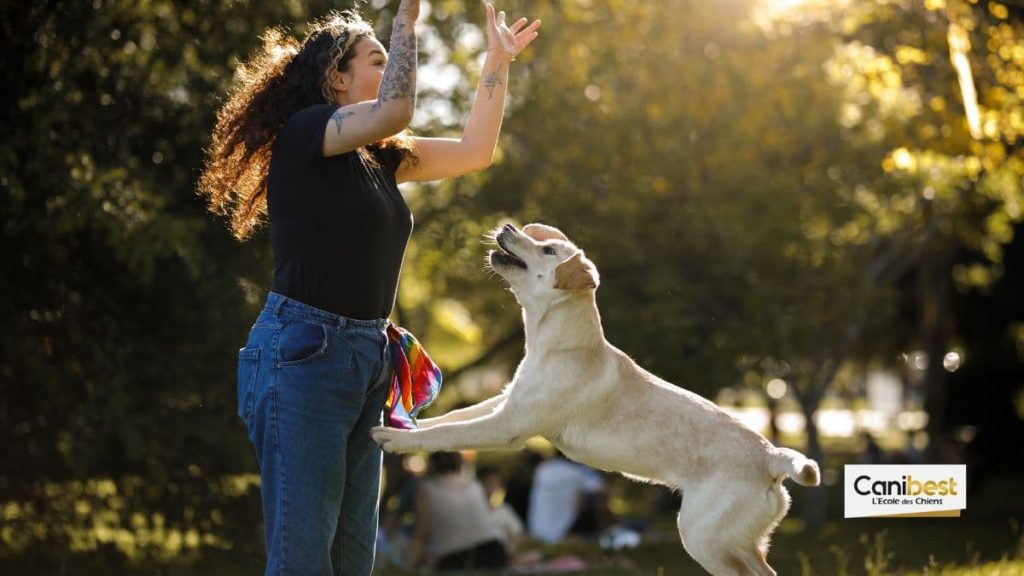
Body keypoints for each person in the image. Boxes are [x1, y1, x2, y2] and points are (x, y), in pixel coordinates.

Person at [196, 2, 541, 574]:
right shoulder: (307, 131)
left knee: (352, 559)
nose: (388, 70)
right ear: (336, 77)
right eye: (375, 60)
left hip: (368, 357)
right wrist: (405, 25)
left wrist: (496, 61)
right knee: (304, 561)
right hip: (304, 355)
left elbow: (475, 151)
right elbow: (396, 109)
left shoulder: (377, 157)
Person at [410, 452, 508, 570]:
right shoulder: (474, 485)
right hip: (493, 551)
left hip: (455, 558)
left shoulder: (428, 489)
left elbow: (421, 534)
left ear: (432, 465)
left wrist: (409, 565)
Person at [528, 452, 611, 543]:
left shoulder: (542, 469)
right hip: (563, 535)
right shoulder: (577, 472)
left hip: (536, 533)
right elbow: (605, 491)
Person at [477, 465, 525, 554]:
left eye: (495, 483)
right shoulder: (473, 512)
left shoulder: (504, 510)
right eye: (488, 483)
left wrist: (508, 552)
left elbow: (517, 534)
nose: (492, 487)